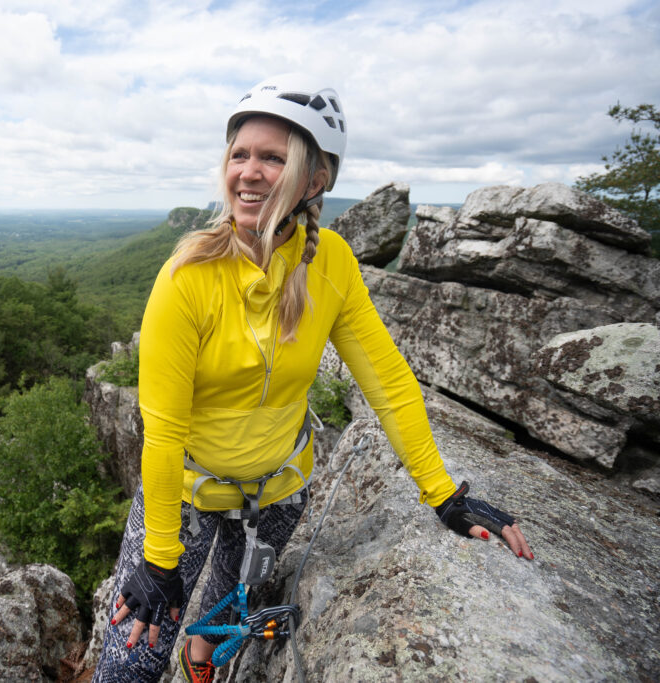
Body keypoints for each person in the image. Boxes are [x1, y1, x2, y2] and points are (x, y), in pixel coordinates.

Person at [92, 73, 532, 683]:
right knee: (129, 662)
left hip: (276, 491)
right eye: (240, 154)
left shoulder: (332, 264)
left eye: (273, 158)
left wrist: (445, 495)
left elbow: (389, 383)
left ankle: (200, 664)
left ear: (315, 178)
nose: (248, 171)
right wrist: (158, 560)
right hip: (186, 492)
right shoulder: (187, 277)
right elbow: (161, 430)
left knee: (223, 620)